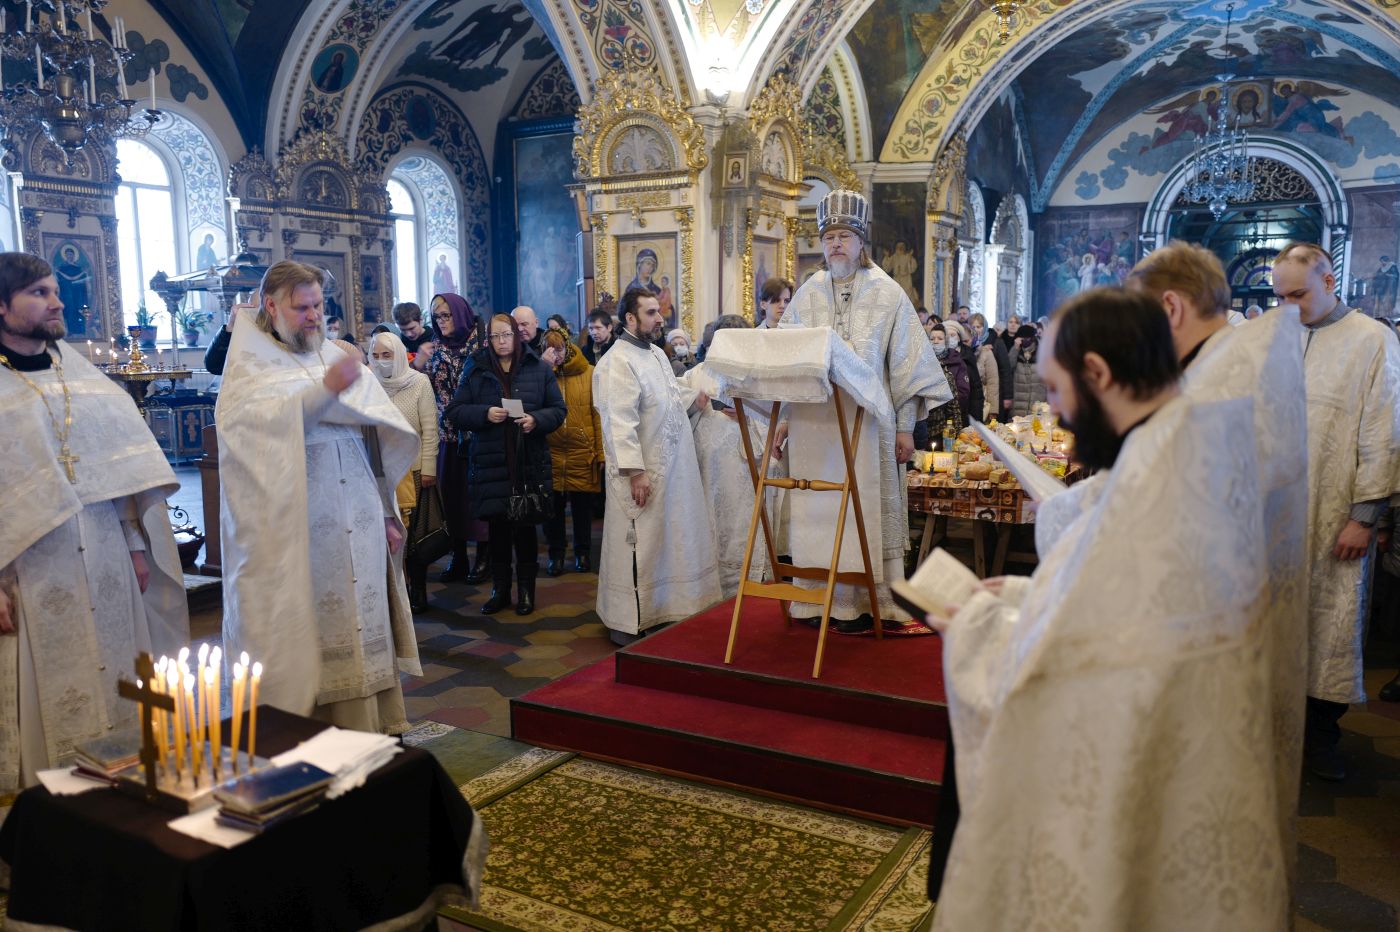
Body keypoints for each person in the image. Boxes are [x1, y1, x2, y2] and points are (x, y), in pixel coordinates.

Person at [930, 287, 1289, 930]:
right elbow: (1110, 601)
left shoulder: (1158, 476)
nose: (1060, 418)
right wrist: (1018, 594)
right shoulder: (1186, 443)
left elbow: (1087, 665)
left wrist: (977, 627)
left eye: (1058, 391)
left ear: (1097, 374)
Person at [1127, 240, 1310, 878]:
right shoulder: (1230, 360)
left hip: (1212, 617)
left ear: (1170, 307)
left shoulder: (1224, 379)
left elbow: (1192, 505)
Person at [0, 252, 189, 790]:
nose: (57, 301)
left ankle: (119, 797)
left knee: (118, 674)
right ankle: (47, 812)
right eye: (38, 292)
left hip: (105, 553)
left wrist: (135, 545)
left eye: (54, 290)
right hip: (31, 565)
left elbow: (119, 473)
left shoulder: (81, 379)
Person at [218, 261, 421, 733]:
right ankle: (311, 730)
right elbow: (252, 436)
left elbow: (373, 438)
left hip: (361, 515)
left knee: (363, 617)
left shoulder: (332, 354)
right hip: (300, 527)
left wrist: (386, 510)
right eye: (301, 307)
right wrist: (322, 395)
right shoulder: (248, 366)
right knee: (316, 624)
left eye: (318, 305)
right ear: (271, 306)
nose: (313, 316)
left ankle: (372, 725)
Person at [778, 189, 950, 632]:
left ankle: (870, 602)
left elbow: (908, 369)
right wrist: (781, 423)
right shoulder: (808, 294)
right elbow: (785, 361)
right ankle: (820, 600)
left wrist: (907, 429)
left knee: (865, 510)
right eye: (829, 236)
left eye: (844, 236)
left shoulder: (888, 294)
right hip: (817, 427)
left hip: (871, 426)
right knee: (823, 510)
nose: (835, 244)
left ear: (860, 243)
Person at [1272, 242, 1400, 781]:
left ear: (1330, 280)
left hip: (1334, 509)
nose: (1289, 305)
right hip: (1272, 512)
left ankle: (1320, 740)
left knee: (1330, 620)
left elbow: (1383, 432)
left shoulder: (1373, 340)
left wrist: (1365, 514)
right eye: (1281, 296)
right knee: (1271, 620)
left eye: (1298, 294)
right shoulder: (1277, 338)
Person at [593, 288, 722, 644]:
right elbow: (619, 421)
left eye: (659, 311)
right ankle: (632, 620)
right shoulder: (617, 362)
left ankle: (666, 609)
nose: (660, 318)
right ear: (630, 319)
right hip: (643, 474)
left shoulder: (655, 355)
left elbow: (667, 393)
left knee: (667, 542)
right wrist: (635, 472)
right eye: (651, 312)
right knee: (642, 545)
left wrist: (693, 396)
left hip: (671, 472)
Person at [445, 314, 565, 615]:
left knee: (525, 532)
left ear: (516, 335)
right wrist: (485, 413)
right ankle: (499, 590)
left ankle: (526, 592)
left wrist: (536, 420)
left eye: (506, 335)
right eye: (496, 336)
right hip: (491, 462)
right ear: (489, 339)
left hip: (528, 461)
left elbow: (558, 410)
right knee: (497, 531)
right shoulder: (476, 367)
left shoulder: (538, 367)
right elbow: (456, 411)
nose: (501, 342)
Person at [370, 331, 440, 613]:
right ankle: (391, 592)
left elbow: (430, 429)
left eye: (386, 355)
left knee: (413, 537)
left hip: (413, 471)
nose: (381, 361)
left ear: (398, 355)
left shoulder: (418, 382)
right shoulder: (369, 384)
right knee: (385, 537)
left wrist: (429, 468)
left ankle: (418, 590)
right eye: (375, 356)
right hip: (379, 473)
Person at [425, 293, 489, 585]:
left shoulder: (483, 347)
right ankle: (459, 556)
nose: (441, 322)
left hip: (478, 435)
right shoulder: (436, 349)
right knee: (451, 499)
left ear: (461, 314)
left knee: (478, 498)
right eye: (437, 317)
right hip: (448, 437)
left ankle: (485, 557)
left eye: (446, 315)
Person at [540, 329, 602, 576]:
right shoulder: (540, 372)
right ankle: (555, 554)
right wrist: (543, 369)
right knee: (552, 509)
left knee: (582, 508)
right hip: (551, 450)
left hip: (581, 450)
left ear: (568, 348)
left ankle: (582, 553)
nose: (555, 355)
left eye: (559, 349)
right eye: (550, 349)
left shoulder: (589, 373)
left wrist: (601, 452)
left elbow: (597, 414)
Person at [917, 323, 968, 447]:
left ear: (945, 341)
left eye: (940, 339)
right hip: (919, 426)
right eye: (932, 338)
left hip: (939, 428)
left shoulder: (948, 371)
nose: (935, 342)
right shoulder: (920, 366)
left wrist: (956, 431)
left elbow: (954, 404)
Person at [969, 312, 1011, 419]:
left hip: (994, 390)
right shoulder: (968, 344)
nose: (975, 329)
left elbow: (1005, 370)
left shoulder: (996, 342)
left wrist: (1007, 396)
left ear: (984, 327)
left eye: (978, 326)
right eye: (972, 326)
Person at [944, 320, 983, 424]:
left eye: (953, 335)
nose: (950, 338)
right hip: (944, 412)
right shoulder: (939, 356)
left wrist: (976, 419)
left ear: (959, 337)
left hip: (966, 409)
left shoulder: (968, 356)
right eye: (947, 335)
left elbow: (976, 388)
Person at [1008, 323, 1047, 416]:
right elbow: (1009, 367)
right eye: (1021, 338)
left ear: (1032, 338)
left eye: (1026, 338)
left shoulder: (1041, 352)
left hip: (1037, 403)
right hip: (1018, 404)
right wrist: (1015, 349)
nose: (1024, 341)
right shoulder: (1016, 351)